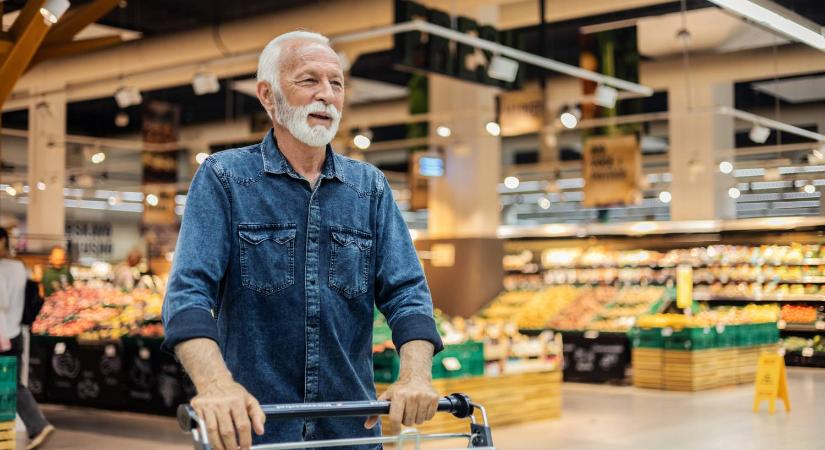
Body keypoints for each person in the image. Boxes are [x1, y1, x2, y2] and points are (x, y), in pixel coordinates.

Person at [162, 31, 443, 450]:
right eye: (309, 81)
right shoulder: (226, 179)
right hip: (254, 432)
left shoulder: (370, 188)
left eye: (336, 83)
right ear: (268, 96)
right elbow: (187, 296)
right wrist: (217, 385)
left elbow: (408, 295)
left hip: (350, 433)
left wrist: (415, 376)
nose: (327, 95)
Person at [0, 228, 55, 449]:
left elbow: (2, 302)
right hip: (16, 334)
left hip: (3, 335)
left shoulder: (4, 269)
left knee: (10, 385)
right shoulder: (20, 267)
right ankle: (5, 437)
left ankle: (38, 425)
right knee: (6, 387)